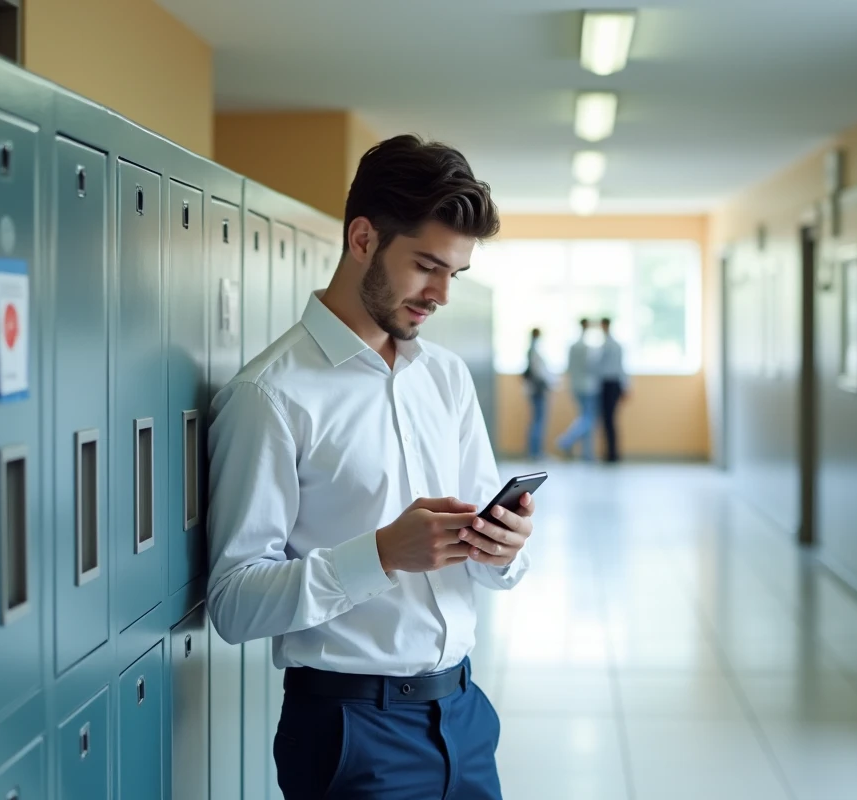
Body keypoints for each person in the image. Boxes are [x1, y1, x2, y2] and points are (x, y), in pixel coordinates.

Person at [206, 134, 537, 800]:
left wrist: (501, 549)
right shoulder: (271, 395)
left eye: (454, 273)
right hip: (350, 732)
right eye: (426, 265)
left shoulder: (443, 379)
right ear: (363, 239)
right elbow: (233, 603)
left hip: (465, 716)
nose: (441, 293)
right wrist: (382, 553)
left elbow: (493, 566)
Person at [555, 317, 600, 461]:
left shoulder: (573, 346)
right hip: (589, 387)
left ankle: (587, 454)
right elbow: (593, 367)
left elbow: (569, 368)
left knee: (584, 418)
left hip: (575, 386)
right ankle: (566, 441)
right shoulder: (588, 348)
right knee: (588, 420)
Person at [597, 317, 627, 463]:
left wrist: (625, 387)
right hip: (613, 384)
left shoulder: (608, 346)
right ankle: (611, 453)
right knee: (609, 420)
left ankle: (612, 453)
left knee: (609, 419)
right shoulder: (614, 345)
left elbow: (619, 367)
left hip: (609, 384)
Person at [522, 327, 554, 459]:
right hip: (538, 391)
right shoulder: (534, 351)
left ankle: (535, 452)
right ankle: (535, 452)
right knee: (538, 421)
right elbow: (539, 372)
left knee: (537, 420)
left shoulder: (532, 350)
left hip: (535, 390)